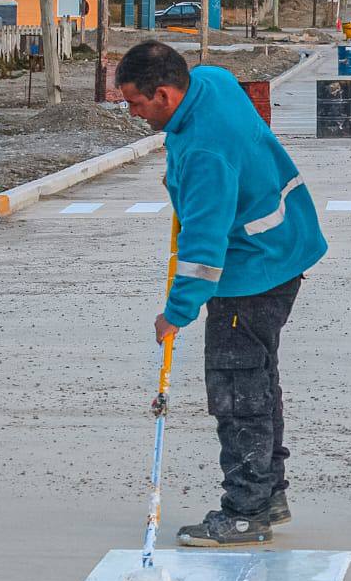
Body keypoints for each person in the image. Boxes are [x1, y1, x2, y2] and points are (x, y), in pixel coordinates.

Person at [116, 41, 328, 547]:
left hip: (253, 269)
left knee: (239, 395)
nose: (132, 112)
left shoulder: (206, 153)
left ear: (164, 94)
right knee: (259, 381)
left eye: (135, 103)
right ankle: (269, 494)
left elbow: (204, 250)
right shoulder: (212, 82)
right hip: (283, 245)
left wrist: (176, 312)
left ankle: (246, 512)